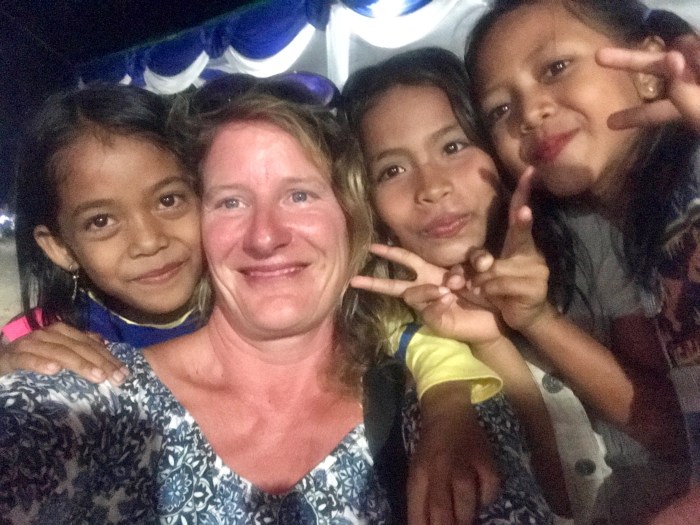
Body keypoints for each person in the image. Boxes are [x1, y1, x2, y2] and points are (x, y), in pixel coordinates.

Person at [0, 88, 554, 523]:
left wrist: (451, 400)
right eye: (231, 201)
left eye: (300, 194)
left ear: (351, 218)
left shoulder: (439, 418)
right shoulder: (74, 395)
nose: (265, 236)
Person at [464, 0, 700, 522]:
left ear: (648, 70)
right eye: (500, 110)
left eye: (555, 67)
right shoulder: (622, 234)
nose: (530, 113)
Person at [341, 46, 583, 520]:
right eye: (392, 170)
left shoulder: (586, 247)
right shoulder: (395, 336)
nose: (431, 187)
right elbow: (561, 497)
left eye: (452, 147)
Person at [0, 83, 204, 383]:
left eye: (168, 200)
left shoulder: (249, 303)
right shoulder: (38, 342)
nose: (149, 242)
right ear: (60, 247)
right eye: (101, 221)